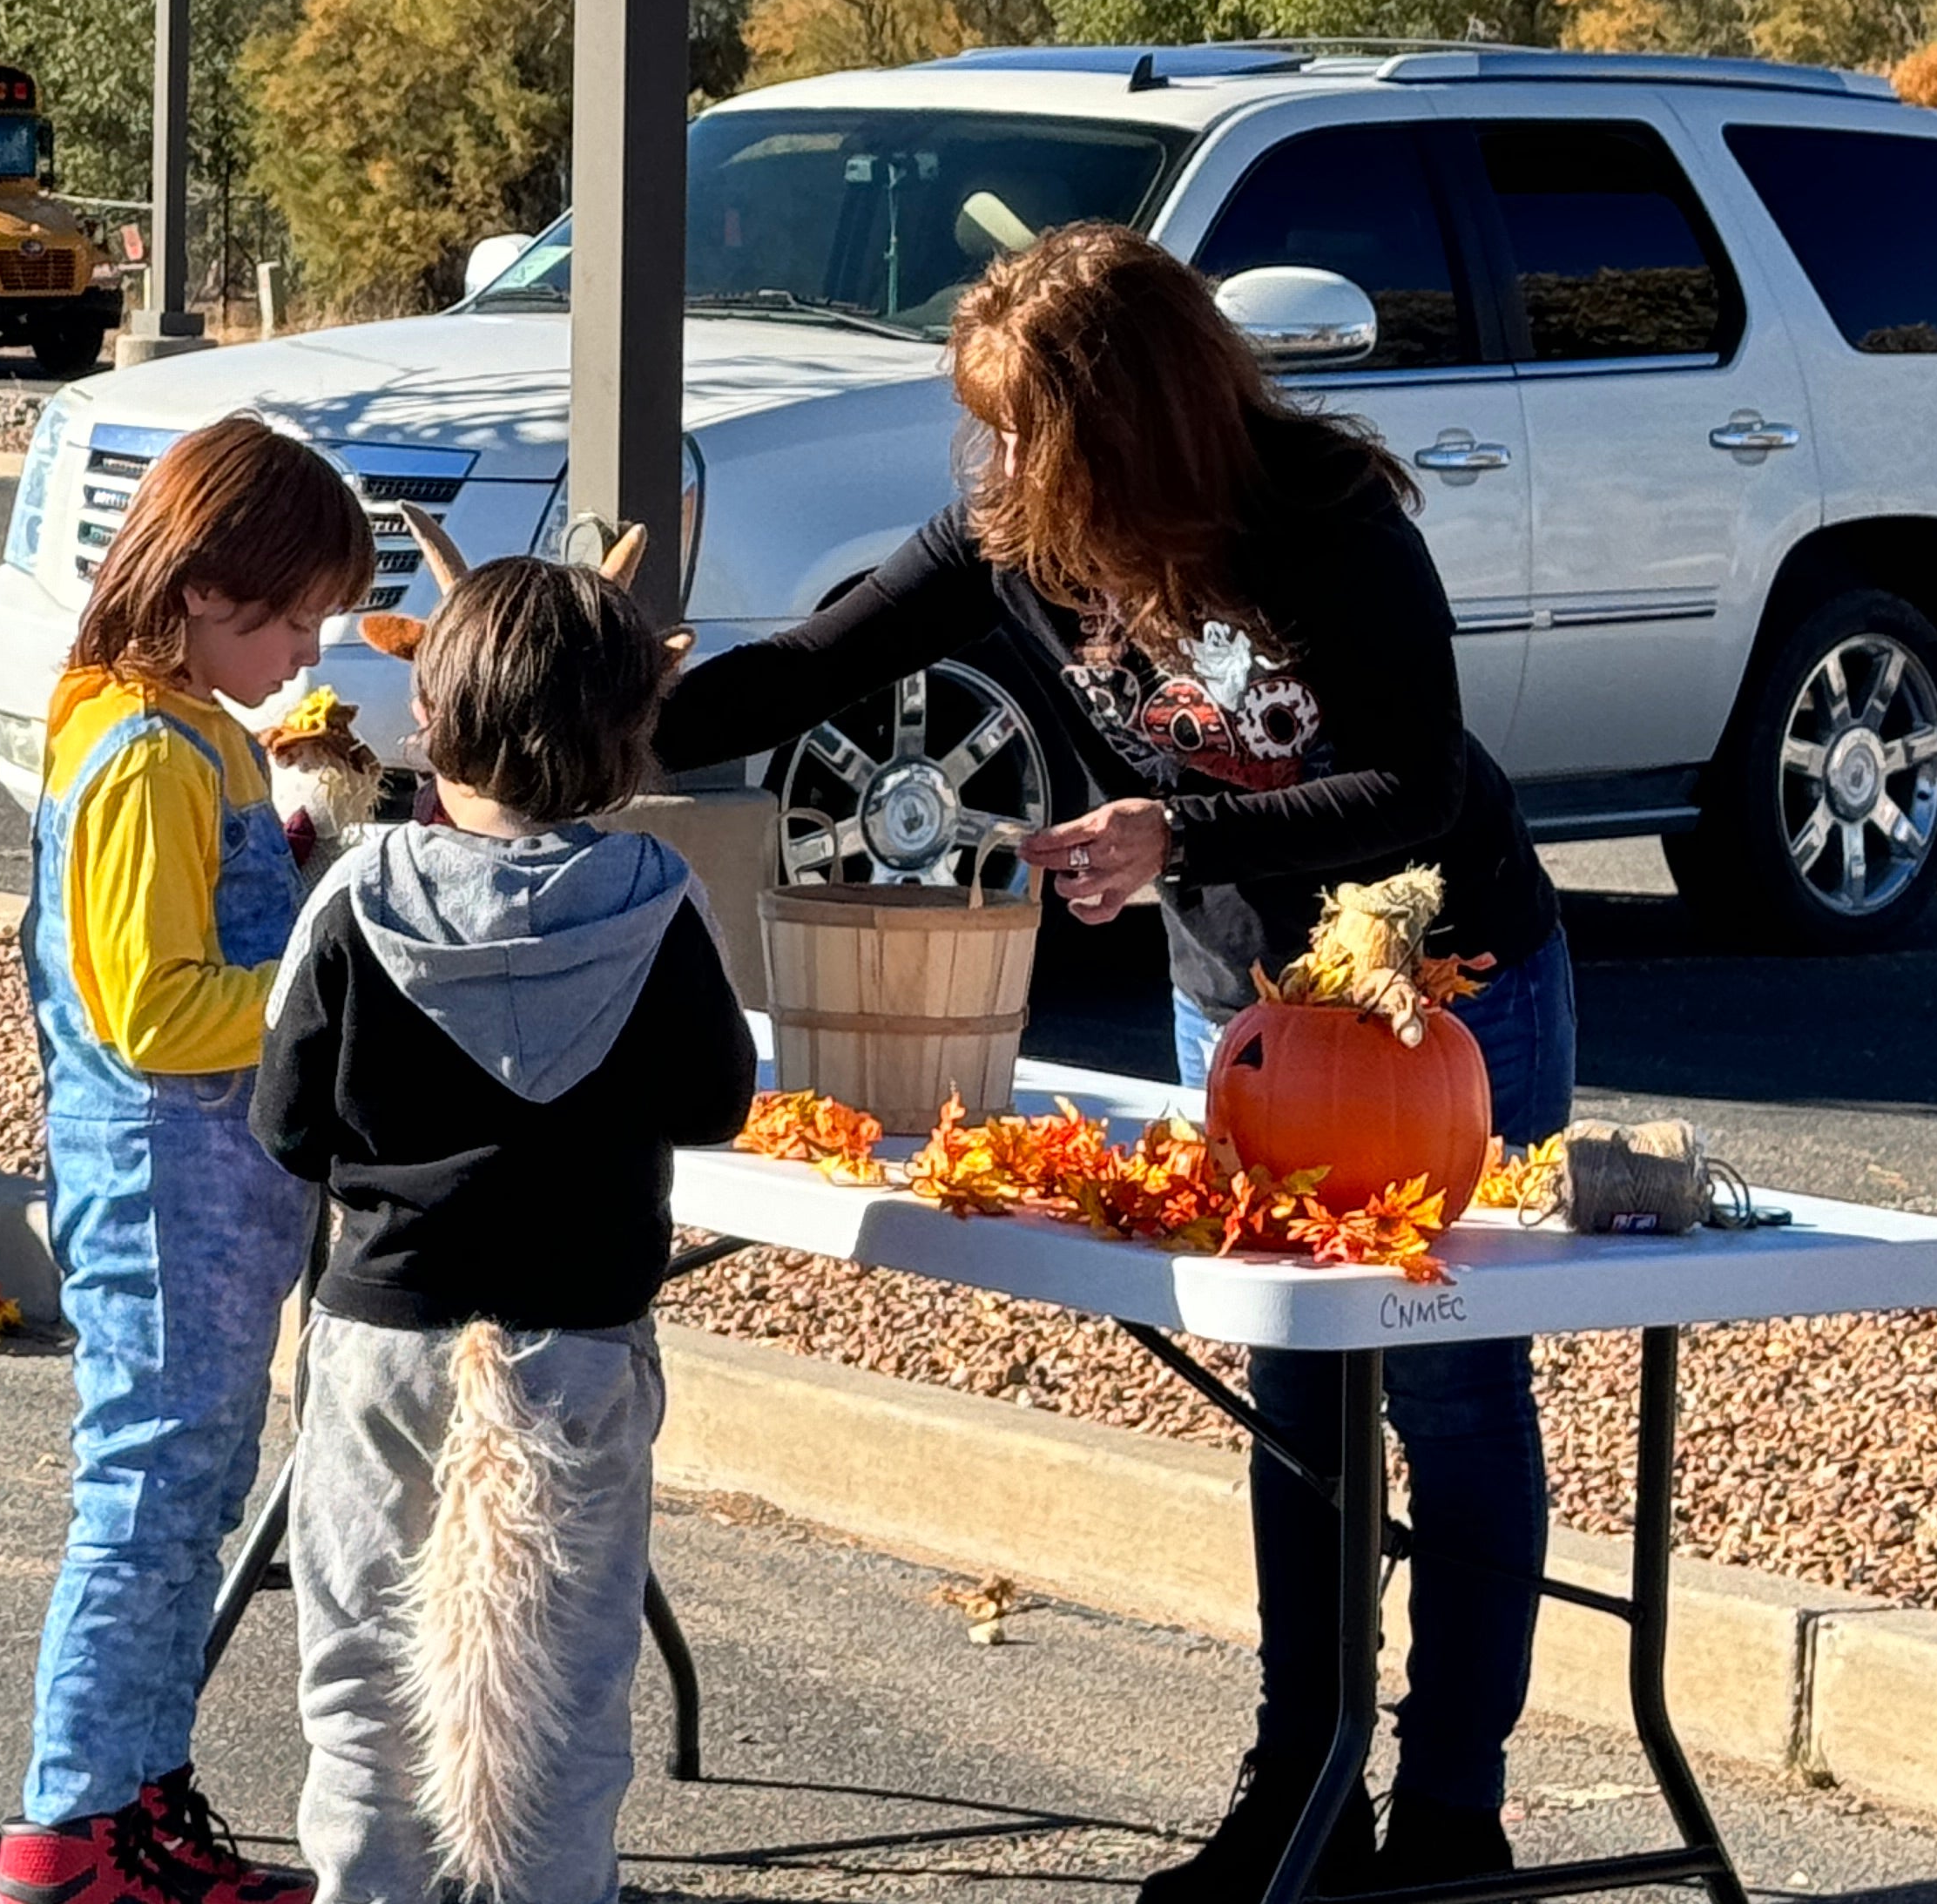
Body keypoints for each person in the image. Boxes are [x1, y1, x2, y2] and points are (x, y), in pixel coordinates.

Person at [651, 222, 1575, 1901]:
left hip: (1444, 994)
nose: (1001, 467)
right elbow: (814, 663)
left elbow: (1422, 787)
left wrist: (1177, 828)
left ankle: (1451, 1811)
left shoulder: (1326, 522)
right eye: (987, 430)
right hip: (1241, 1005)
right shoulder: (1013, 536)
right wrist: (582, 706)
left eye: (1029, 431)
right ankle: (1299, 1789)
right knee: (1297, 1398)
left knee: (1446, 1388)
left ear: (1129, 422)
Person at [256, 553, 755, 1904]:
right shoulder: (657, 898)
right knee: (565, 1686)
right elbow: (716, 1103)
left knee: (363, 1673)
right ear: (623, 736)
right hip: (578, 1346)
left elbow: (288, 1122)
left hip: (384, 1342)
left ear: (433, 713)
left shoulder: (358, 896)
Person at [0, 415, 375, 1904]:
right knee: (151, 1498)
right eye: (287, 616)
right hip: (166, 1181)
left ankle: (135, 1804)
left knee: (187, 1495)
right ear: (203, 590)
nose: (303, 647)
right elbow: (152, 1008)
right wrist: (317, 993)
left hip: (210, 1190)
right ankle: (71, 1824)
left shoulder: (190, 728)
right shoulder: (152, 753)